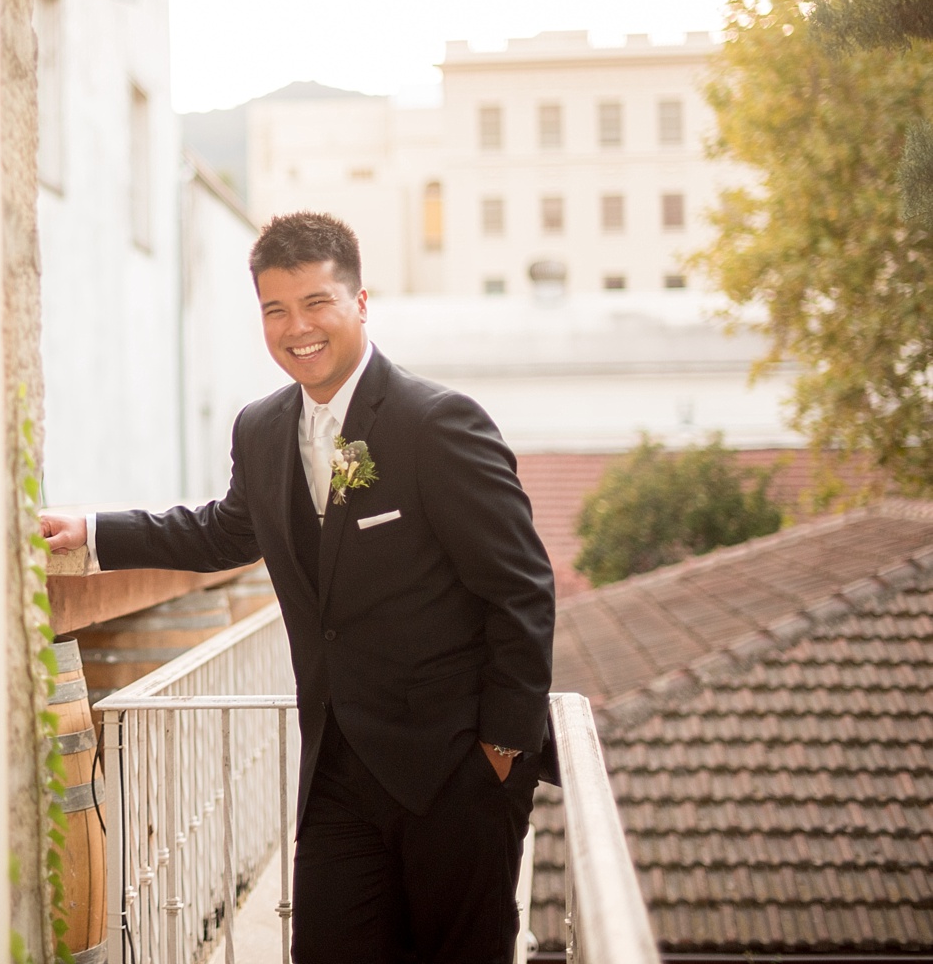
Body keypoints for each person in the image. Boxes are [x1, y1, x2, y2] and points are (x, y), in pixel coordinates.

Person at [41, 212, 555, 963]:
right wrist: (91, 534)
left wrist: (503, 746)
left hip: (455, 774)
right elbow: (224, 532)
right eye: (275, 309)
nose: (297, 327)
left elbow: (522, 587)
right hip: (337, 774)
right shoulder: (260, 428)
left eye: (317, 302)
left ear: (360, 302)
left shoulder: (437, 422)